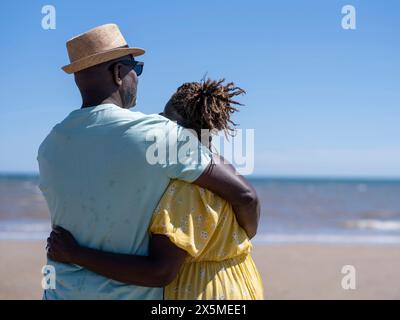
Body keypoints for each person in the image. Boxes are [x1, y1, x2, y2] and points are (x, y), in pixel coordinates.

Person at [38, 23, 260, 300]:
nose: (137, 77)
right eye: (136, 68)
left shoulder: (50, 145)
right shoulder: (158, 135)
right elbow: (243, 194)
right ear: (118, 73)